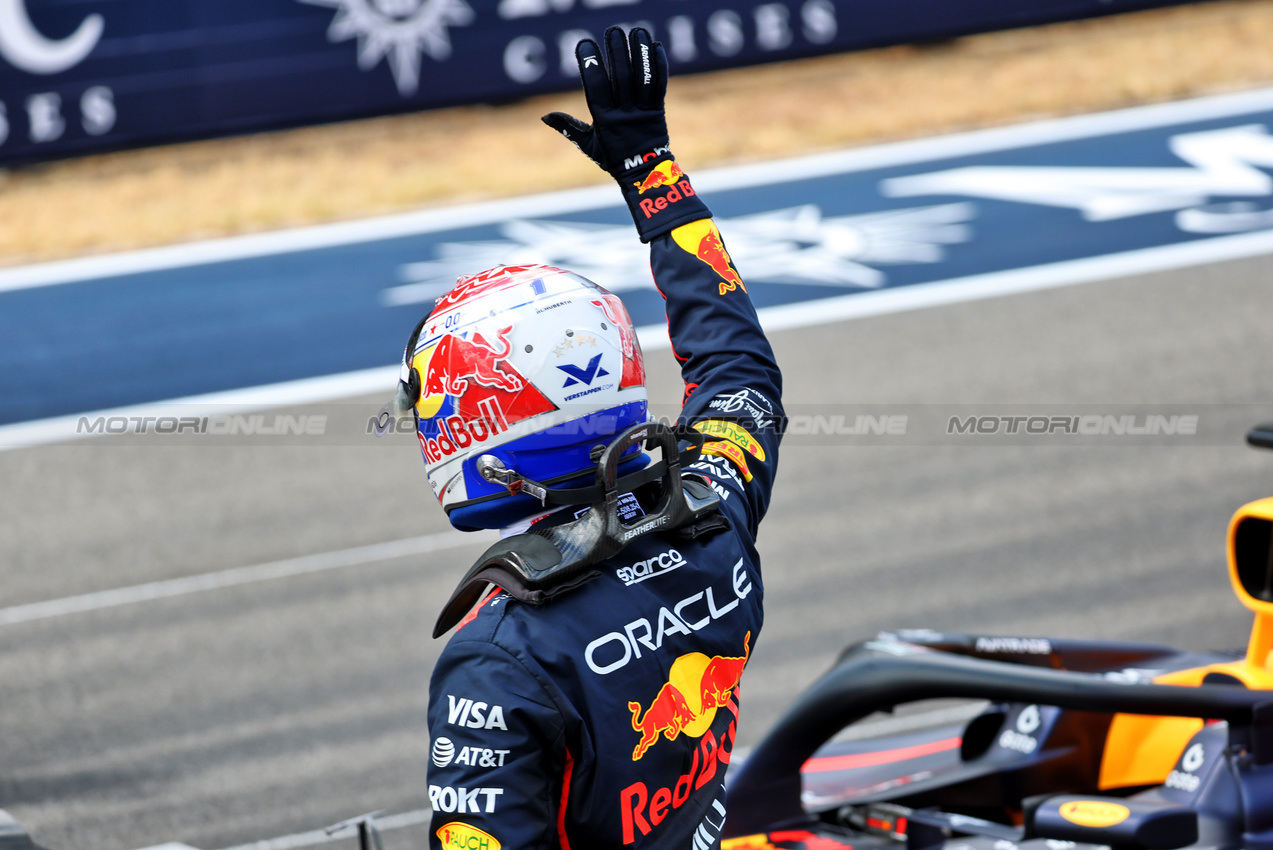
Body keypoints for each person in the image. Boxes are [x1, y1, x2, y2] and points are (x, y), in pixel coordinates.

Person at [396, 25, 784, 850]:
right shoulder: (716, 504)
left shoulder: (500, 657)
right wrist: (652, 170)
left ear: (482, 424)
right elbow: (739, 369)